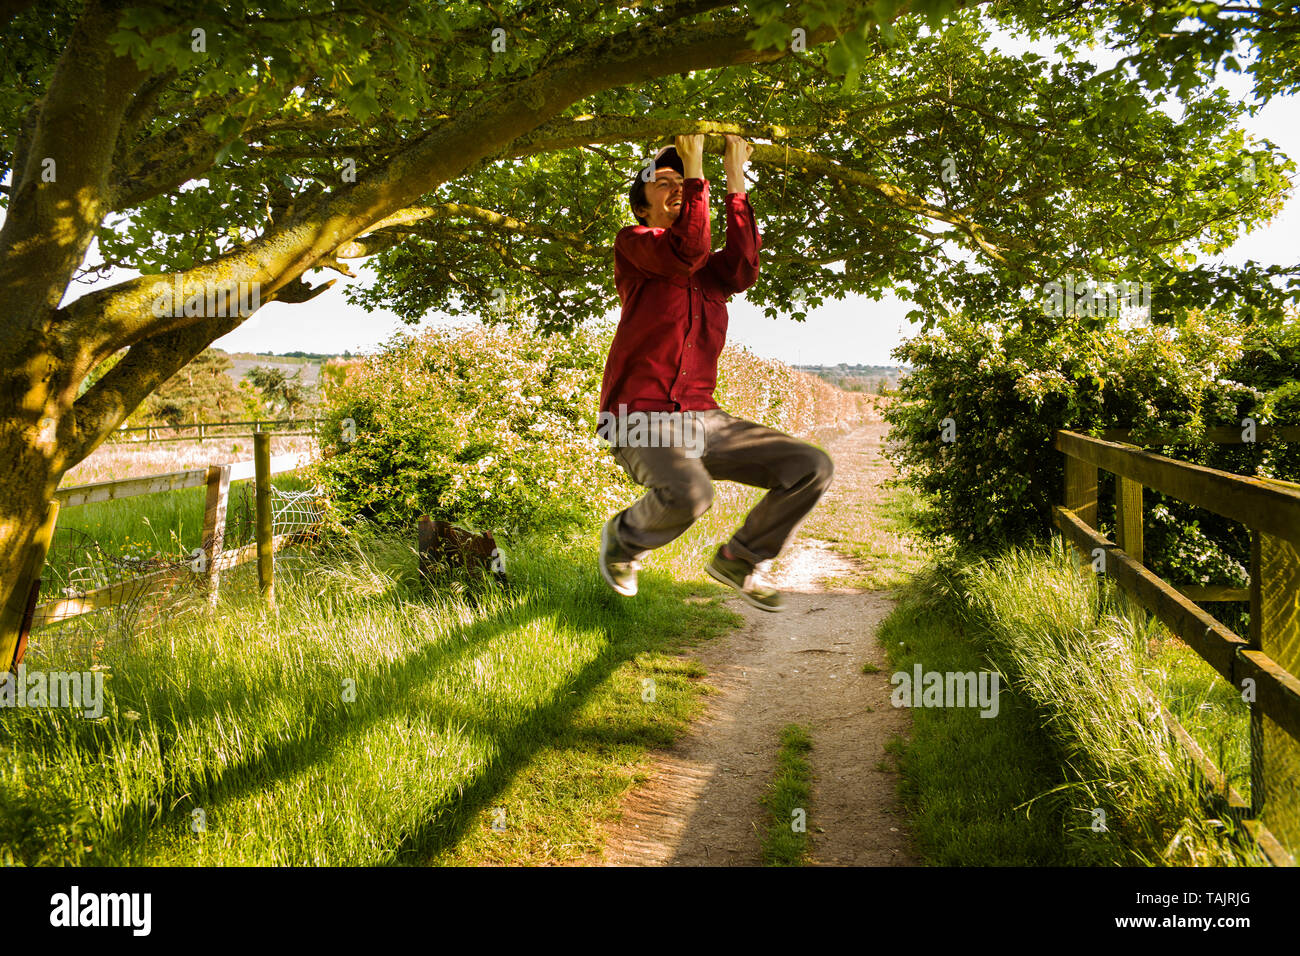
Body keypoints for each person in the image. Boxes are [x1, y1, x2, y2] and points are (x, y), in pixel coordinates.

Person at [596, 132, 834, 612]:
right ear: (641, 207)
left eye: (682, 180)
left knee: (811, 467)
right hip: (639, 417)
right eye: (663, 181)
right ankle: (624, 539)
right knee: (691, 493)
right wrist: (695, 163)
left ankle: (740, 559)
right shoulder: (637, 244)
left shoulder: (709, 272)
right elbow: (686, 247)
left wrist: (734, 179)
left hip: (705, 419)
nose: (679, 186)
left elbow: (744, 266)